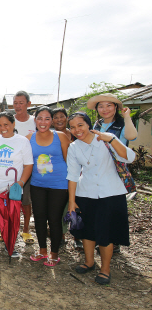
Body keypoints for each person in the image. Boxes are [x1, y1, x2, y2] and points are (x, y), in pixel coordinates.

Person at [67, 112, 135, 285]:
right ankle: (89, 262)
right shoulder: (74, 147)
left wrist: (111, 140)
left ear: (89, 125)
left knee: (106, 233)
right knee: (87, 231)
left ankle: (105, 269)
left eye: (80, 125)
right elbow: (73, 175)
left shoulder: (107, 138)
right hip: (86, 192)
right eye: (73, 127)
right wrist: (72, 201)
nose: (77, 130)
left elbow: (129, 157)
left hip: (110, 193)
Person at [88, 93, 138, 253]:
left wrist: (127, 117)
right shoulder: (97, 124)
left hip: (116, 170)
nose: (105, 109)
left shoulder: (122, 124)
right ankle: (101, 238)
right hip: (97, 170)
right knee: (99, 206)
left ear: (115, 107)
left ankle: (113, 241)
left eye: (109, 105)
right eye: (101, 106)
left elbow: (132, 136)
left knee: (113, 206)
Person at [0, 112, 33, 257]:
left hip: (13, 189)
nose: (3, 128)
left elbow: (28, 165)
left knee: (11, 218)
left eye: (6, 125)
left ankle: (10, 245)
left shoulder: (22, 141)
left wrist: (21, 183)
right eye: (0, 125)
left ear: (13, 124)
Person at [27, 107, 70, 266]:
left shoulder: (61, 137)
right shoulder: (29, 137)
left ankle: (54, 253)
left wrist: (72, 186)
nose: (43, 122)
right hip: (37, 184)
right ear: (35, 120)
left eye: (47, 119)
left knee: (54, 219)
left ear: (51, 121)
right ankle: (43, 250)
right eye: (40, 118)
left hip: (59, 185)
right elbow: (14, 143)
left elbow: (69, 161)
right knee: (39, 218)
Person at [51, 108, 81, 250]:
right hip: (59, 176)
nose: (58, 120)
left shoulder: (76, 133)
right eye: (55, 117)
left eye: (61, 116)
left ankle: (77, 236)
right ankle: (61, 235)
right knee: (59, 207)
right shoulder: (50, 135)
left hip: (79, 175)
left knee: (77, 204)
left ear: (67, 118)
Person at [13, 90, 36, 244]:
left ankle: (26, 229)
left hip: (29, 167)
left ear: (28, 104)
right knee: (10, 200)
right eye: (15, 103)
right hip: (10, 167)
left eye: (21, 103)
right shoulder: (9, 120)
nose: (18, 106)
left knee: (26, 201)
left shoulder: (35, 121)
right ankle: (8, 227)